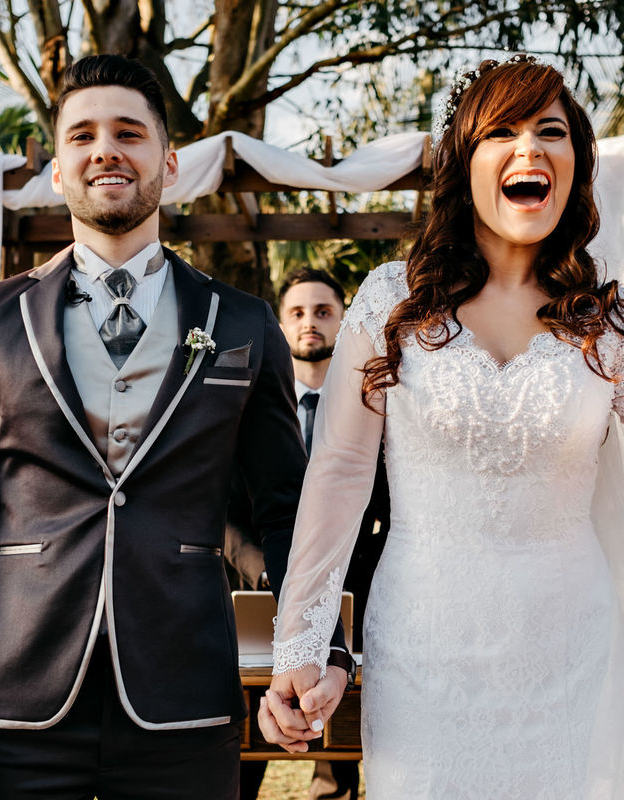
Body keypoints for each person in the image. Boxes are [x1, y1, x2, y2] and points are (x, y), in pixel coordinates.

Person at [258, 55, 624, 798]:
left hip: (575, 651)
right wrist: (300, 645)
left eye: (551, 132)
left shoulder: (613, 318)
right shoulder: (388, 304)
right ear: (465, 163)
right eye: (502, 131)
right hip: (422, 646)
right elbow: (337, 474)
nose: (530, 149)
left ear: (575, 164)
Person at [0, 54, 307, 800]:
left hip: (186, 706)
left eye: (128, 133)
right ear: (57, 171)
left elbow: (288, 511)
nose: (104, 149)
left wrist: (308, 651)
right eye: (81, 136)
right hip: (14, 706)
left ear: (169, 164)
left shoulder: (242, 323)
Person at [227, 268, 389, 800]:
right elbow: (221, 512)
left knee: (340, 755)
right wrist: (266, 568)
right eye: (297, 312)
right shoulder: (246, 409)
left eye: (323, 312)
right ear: (279, 324)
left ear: (344, 324)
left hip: (355, 607)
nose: (310, 323)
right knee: (241, 762)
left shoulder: (377, 408)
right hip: (256, 601)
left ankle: (334, 788)